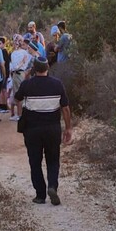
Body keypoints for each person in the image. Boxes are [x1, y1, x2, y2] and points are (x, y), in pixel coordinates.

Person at [15, 56, 73, 206]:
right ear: (48, 68)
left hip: (32, 129)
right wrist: (68, 128)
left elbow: (17, 98)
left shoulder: (27, 85)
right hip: (52, 129)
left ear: (34, 68)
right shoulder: (57, 84)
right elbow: (65, 108)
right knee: (53, 160)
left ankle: (40, 195)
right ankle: (52, 186)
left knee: (35, 162)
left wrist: (26, 77)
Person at [9, 34, 31, 121]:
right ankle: (19, 113)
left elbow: (15, 66)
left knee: (18, 94)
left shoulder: (16, 53)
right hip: (20, 73)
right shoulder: (23, 52)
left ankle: (19, 114)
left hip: (18, 73)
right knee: (18, 93)